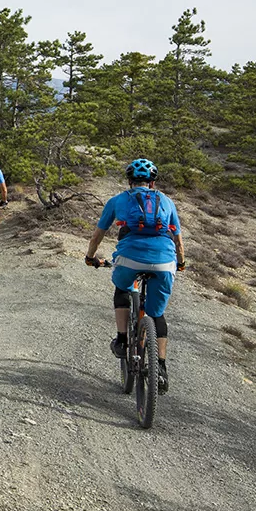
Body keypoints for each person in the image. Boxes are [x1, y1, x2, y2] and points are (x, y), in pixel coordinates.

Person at [84, 158, 185, 393]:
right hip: (164, 261)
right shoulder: (167, 202)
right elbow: (178, 240)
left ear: (129, 180)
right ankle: (159, 367)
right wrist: (180, 263)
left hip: (129, 258)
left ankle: (122, 339)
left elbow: (97, 235)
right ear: (152, 182)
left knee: (122, 290)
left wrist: (91, 257)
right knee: (157, 314)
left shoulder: (117, 200)